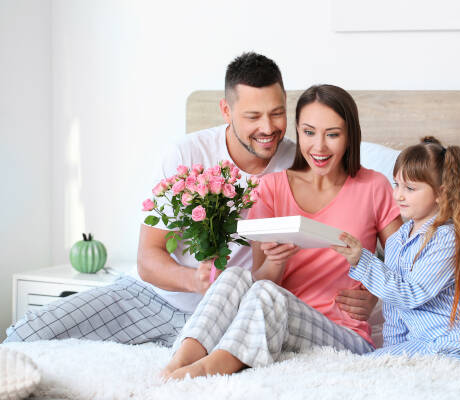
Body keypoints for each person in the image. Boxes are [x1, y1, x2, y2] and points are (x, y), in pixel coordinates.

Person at [4, 53, 376, 345]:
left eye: (277, 113)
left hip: (230, 317)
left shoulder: (301, 160)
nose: (268, 129)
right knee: (28, 333)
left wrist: (374, 296)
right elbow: (148, 258)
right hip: (154, 300)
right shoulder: (185, 155)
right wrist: (196, 282)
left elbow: (356, 220)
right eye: (253, 116)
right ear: (226, 111)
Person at [160, 84, 404, 380]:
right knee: (238, 276)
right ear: (298, 132)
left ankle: (207, 370)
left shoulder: (374, 187)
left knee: (264, 293)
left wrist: (378, 296)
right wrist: (277, 262)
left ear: (350, 135)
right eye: (309, 132)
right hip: (276, 321)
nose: (319, 147)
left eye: (333, 134)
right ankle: (177, 364)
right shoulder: (272, 187)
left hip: (344, 334)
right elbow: (261, 279)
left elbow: (406, 264)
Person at [332, 137, 460, 363]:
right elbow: (394, 311)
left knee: (368, 365)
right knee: (374, 362)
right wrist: (394, 355)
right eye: (396, 184)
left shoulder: (447, 239)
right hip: (428, 342)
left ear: (440, 193)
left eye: (410, 188)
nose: (398, 195)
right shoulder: (396, 242)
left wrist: (362, 261)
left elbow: (411, 294)